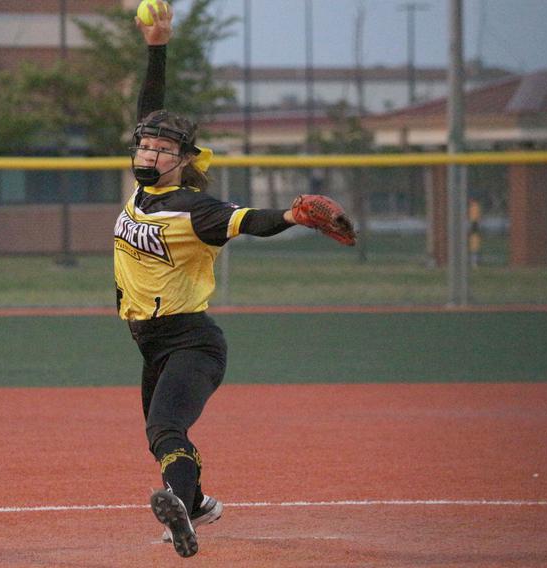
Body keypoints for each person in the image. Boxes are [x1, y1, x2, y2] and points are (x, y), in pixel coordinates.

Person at [114, 2, 355, 558]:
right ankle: (195, 504)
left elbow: (248, 221)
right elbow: (151, 111)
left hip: (191, 341)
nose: (150, 152)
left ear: (183, 161)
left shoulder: (195, 209)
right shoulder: (145, 192)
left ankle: (182, 515)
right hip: (151, 343)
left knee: (168, 428)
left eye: (163, 149)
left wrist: (293, 217)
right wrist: (157, 46)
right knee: (161, 436)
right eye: (145, 146)